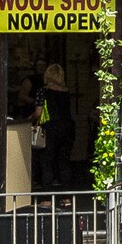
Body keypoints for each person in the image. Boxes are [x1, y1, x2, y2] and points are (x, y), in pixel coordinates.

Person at [40, 60, 79, 191]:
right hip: (67, 128)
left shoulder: (44, 92)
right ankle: (67, 197)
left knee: (48, 161)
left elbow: (38, 112)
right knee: (64, 161)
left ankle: (46, 197)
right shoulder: (66, 91)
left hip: (51, 128)